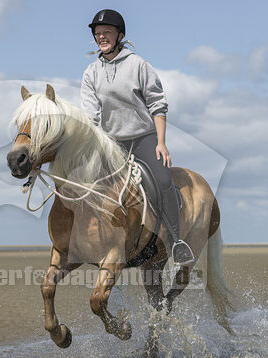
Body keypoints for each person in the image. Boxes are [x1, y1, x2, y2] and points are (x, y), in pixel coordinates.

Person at [80, 8, 195, 265]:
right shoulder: (90, 73)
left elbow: (158, 105)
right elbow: (90, 116)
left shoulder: (139, 65)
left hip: (144, 138)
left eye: (107, 32)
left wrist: (161, 143)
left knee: (164, 179)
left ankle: (177, 242)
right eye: (98, 34)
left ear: (119, 34)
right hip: (112, 144)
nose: (102, 37)